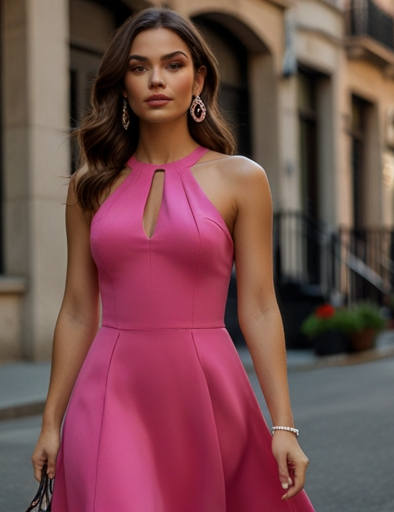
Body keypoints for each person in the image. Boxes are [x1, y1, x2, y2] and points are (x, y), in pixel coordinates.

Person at [31, 7, 314, 511]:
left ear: (199, 78)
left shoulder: (242, 179)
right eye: (138, 68)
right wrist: (52, 420)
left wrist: (283, 425)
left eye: (173, 64)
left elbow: (260, 307)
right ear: (122, 84)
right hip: (110, 392)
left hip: (206, 394)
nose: (156, 79)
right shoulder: (89, 186)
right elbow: (77, 308)